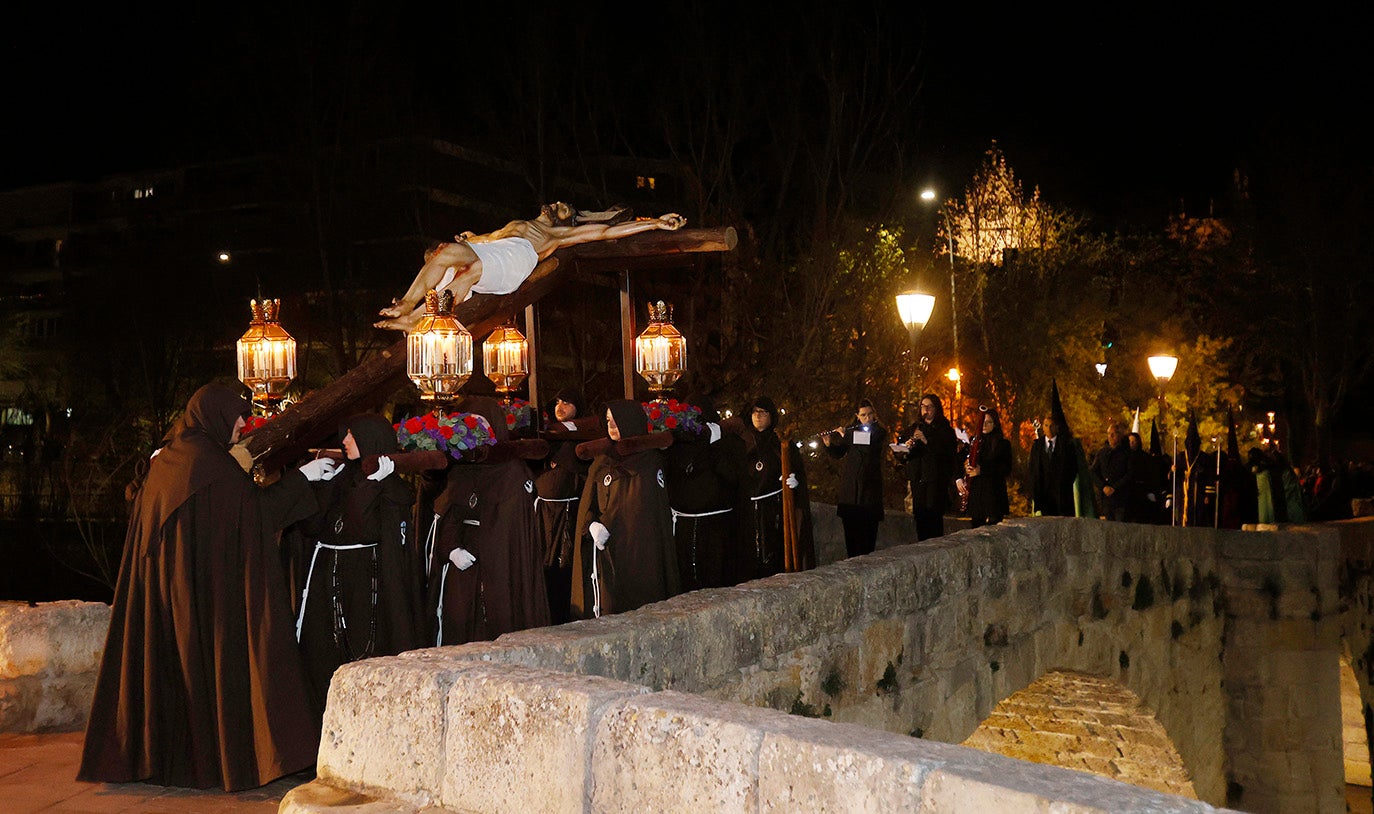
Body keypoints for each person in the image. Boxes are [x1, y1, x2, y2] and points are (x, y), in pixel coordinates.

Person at [79, 384, 340, 791]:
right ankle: (221, 760)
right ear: (214, 415)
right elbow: (255, 515)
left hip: (171, 589)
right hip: (204, 592)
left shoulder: (170, 457)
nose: (241, 423)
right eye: (236, 415)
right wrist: (303, 479)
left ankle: (173, 759)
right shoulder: (211, 465)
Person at [376, 203, 686, 330]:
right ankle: (408, 309)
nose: (555, 205)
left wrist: (655, 223)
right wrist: (473, 238)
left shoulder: (556, 235)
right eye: (556, 202)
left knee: (467, 271)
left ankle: (412, 317)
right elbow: (485, 239)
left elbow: (605, 231)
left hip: (515, 261)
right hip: (493, 251)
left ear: (566, 220)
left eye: (562, 208)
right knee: (444, 255)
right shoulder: (516, 223)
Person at [291, 414, 422, 712]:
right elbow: (313, 526)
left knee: (364, 646)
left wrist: (372, 486)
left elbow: (363, 528)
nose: (345, 441)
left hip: (365, 579)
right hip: (328, 579)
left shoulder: (391, 490)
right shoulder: (339, 477)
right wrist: (319, 485)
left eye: (352, 435)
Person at [426, 398, 549, 645]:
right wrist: (450, 549)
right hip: (462, 572)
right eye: (469, 424)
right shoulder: (462, 469)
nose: (475, 430)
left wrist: (480, 549)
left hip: (497, 567)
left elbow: (511, 530)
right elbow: (448, 514)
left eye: (480, 423)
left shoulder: (512, 471)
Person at [571, 400, 679, 618]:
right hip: (605, 550)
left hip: (637, 552)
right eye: (608, 420)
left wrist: (609, 522)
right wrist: (590, 523)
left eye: (616, 420)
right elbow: (588, 501)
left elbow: (640, 508)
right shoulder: (601, 460)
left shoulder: (649, 462)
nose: (611, 426)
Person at [665, 393, 742, 590]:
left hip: (716, 528)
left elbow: (732, 477)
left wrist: (715, 445)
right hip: (684, 526)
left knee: (715, 581)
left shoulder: (726, 441)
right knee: (686, 581)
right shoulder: (677, 445)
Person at [734, 395, 814, 582]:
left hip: (773, 510)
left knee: (772, 557)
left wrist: (794, 482)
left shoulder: (781, 444)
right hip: (747, 511)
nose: (758, 416)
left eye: (763, 412)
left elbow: (796, 472)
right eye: (755, 412)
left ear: (772, 416)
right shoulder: (743, 442)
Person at [533, 388, 594, 624]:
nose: (560, 407)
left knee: (566, 568)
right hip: (545, 516)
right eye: (557, 402)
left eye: (567, 402)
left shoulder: (586, 436)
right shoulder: (549, 437)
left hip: (568, 517)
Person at [822, 399, 888, 558]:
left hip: (869, 493)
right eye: (863, 415)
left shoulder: (879, 432)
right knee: (851, 539)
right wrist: (829, 444)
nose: (867, 418)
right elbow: (840, 453)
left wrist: (848, 436)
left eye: (870, 414)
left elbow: (868, 446)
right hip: (851, 494)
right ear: (857, 416)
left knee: (867, 540)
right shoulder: (852, 433)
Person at [896, 394, 957, 540]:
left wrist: (926, 440)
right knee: (920, 516)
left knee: (934, 517)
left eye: (929, 406)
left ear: (936, 409)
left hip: (935, 480)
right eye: (923, 406)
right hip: (918, 478)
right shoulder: (914, 428)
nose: (926, 410)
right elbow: (902, 452)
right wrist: (906, 449)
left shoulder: (944, 429)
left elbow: (947, 454)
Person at [963, 407, 1013, 527]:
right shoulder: (973, 441)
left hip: (994, 496)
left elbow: (1005, 468)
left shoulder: (1003, 444)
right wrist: (965, 466)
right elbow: (961, 459)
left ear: (995, 424)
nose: (984, 425)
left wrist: (982, 470)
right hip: (977, 496)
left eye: (988, 422)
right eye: (982, 422)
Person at [1028, 415, 1076, 517]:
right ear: (1043, 427)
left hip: (1062, 497)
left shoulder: (1066, 445)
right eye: (1046, 425)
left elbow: (1073, 469)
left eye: (1051, 425)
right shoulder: (1037, 446)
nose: (1049, 428)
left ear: (1056, 427)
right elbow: (1032, 469)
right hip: (1043, 496)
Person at [1092, 422, 1135, 522]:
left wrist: (1115, 487)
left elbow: (1129, 474)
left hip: (1121, 498)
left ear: (1120, 435)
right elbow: (1093, 471)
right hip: (1105, 499)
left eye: (1114, 434)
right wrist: (1103, 486)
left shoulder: (1127, 453)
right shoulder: (1102, 452)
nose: (1110, 436)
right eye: (1108, 434)